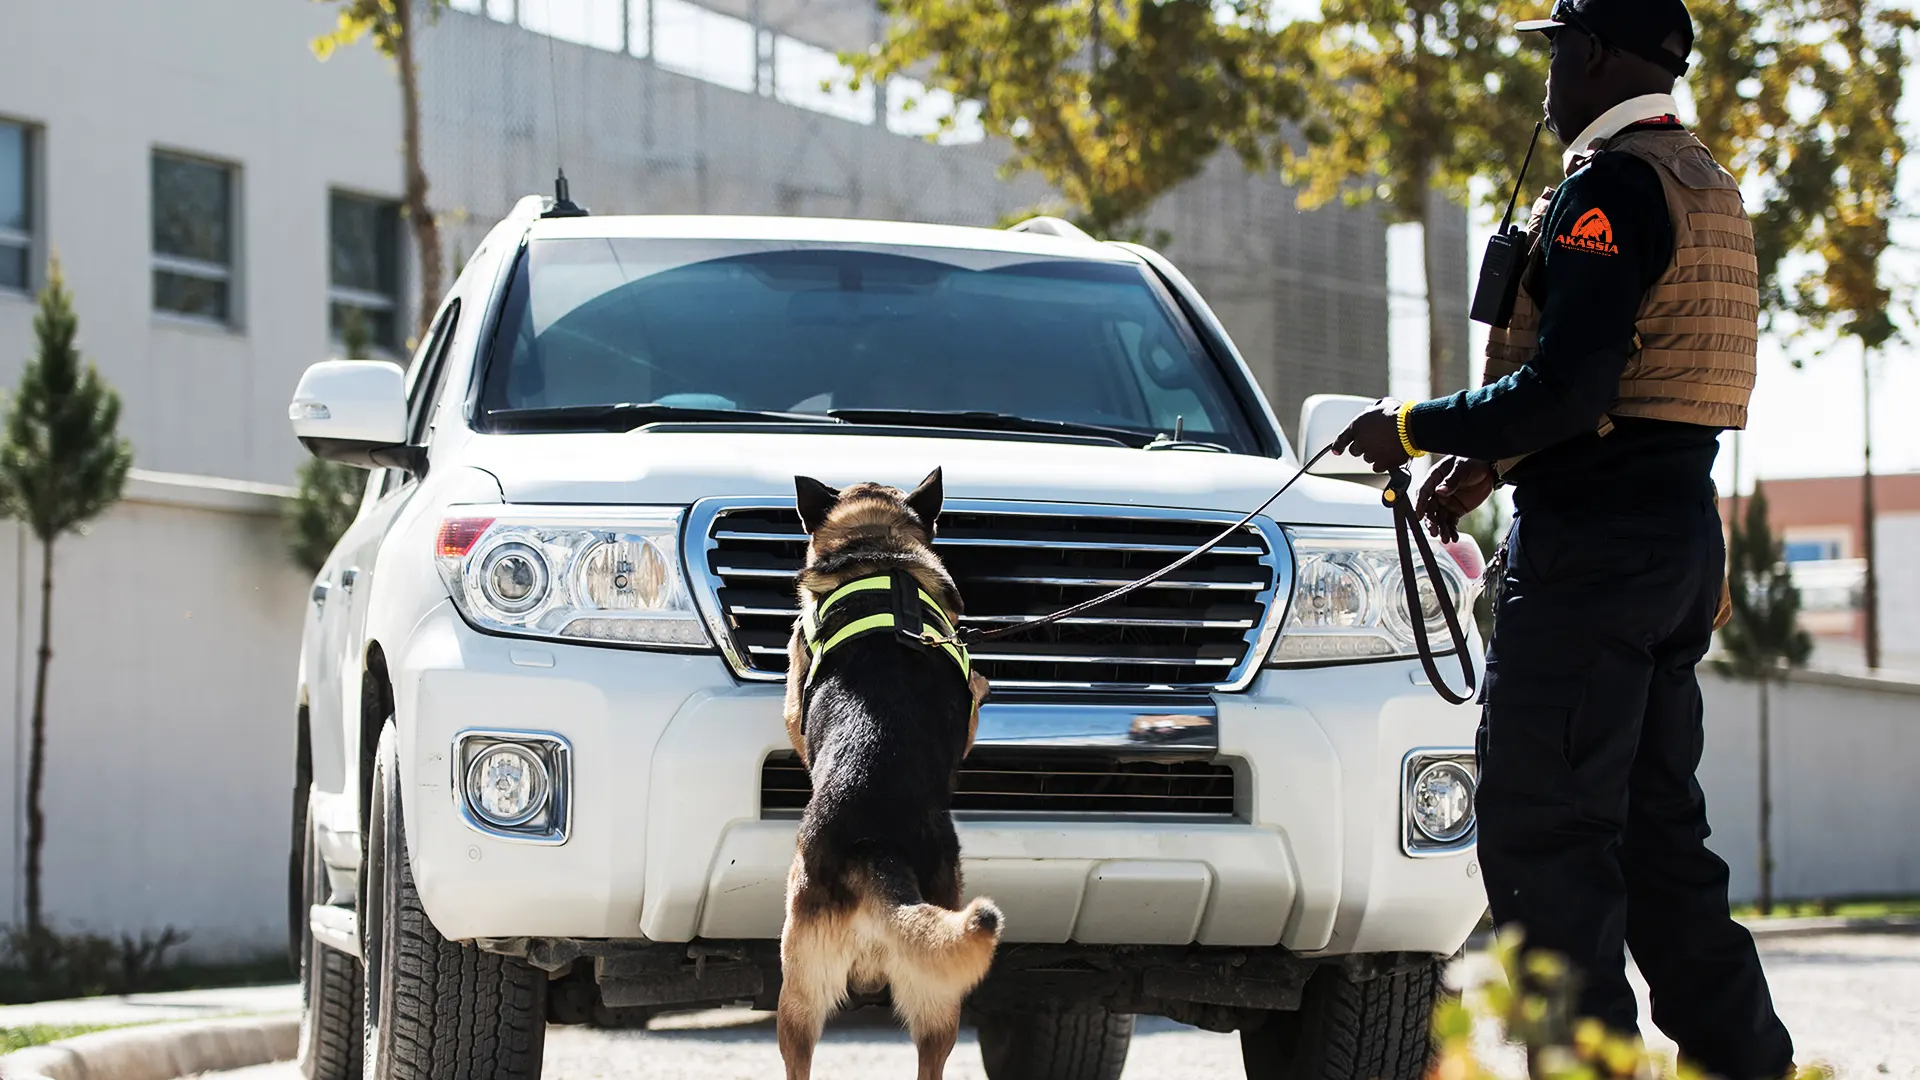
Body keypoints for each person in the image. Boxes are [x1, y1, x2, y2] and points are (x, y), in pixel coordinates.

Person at [1330, 0, 1795, 1074]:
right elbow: (1628, 390)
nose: (1549, 72)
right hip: (1673, 539)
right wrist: (1492, 458)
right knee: (1658, 844)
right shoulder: (1699, 179)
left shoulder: (1610, 186)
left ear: (1593, 53)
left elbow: (1567, 384)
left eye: (1557, 48)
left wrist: (1412, 426)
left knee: (1548, 842)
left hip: (1593, 560)